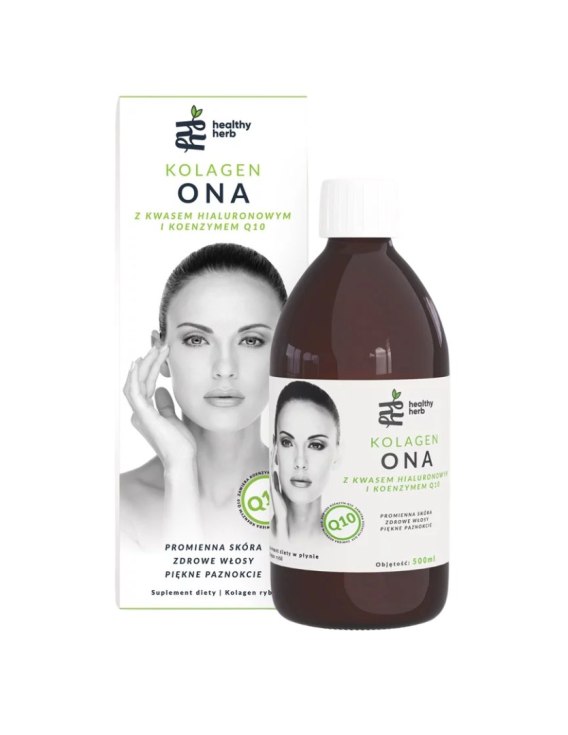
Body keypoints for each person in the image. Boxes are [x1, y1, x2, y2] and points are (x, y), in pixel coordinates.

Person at [121, 243, 287, 549]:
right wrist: (179, 470)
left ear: (285, 352)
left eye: (251, 340)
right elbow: (178, 581)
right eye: (196, 339)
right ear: (160, 353)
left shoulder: (319, 501)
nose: (224, 369)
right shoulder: (118, 507)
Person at [271, 380, 340, 543]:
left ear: (337, 454)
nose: (300, 462)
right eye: (287, 442)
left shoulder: (345, 548)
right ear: (275, 449)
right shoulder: (254, 535)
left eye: (316, 445)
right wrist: (281, 525)